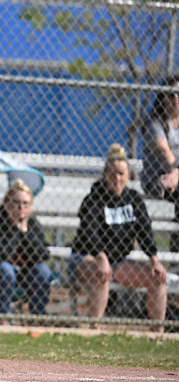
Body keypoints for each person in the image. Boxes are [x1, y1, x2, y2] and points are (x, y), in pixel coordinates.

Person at [71, 143, 167, 331]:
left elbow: (144, 231)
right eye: (112, 173)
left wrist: (154, 260)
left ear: (128, 175)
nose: (117, 178)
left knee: (157, 277)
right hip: (87, 258)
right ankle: (94, 329)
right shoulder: (94, 199)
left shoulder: (134, 199)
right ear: (105, 174)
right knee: (101, 274)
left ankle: (158, 333)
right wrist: (101, 257)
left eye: (121, 173)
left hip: (118, 262)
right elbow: (90, 233)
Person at [0, 179, 52, 316]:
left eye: (25, 204)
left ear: (31, 207)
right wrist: (14, 229)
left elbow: (43, 254)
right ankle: (2, 315)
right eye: (16, 202)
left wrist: (24, 232)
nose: (21, 207)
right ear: (6, 203)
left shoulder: (32, 223)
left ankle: (37, 315)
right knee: (6, 270)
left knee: (43, 272)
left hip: (21, 273)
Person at [141, 74, 179, 252]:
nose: (176, 99)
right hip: (158, 180)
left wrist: (177, 173)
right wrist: (175, 172)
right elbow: (164, 154)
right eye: (171, 94)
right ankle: (176, 257)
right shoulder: (155, 123)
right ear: (163, 98)